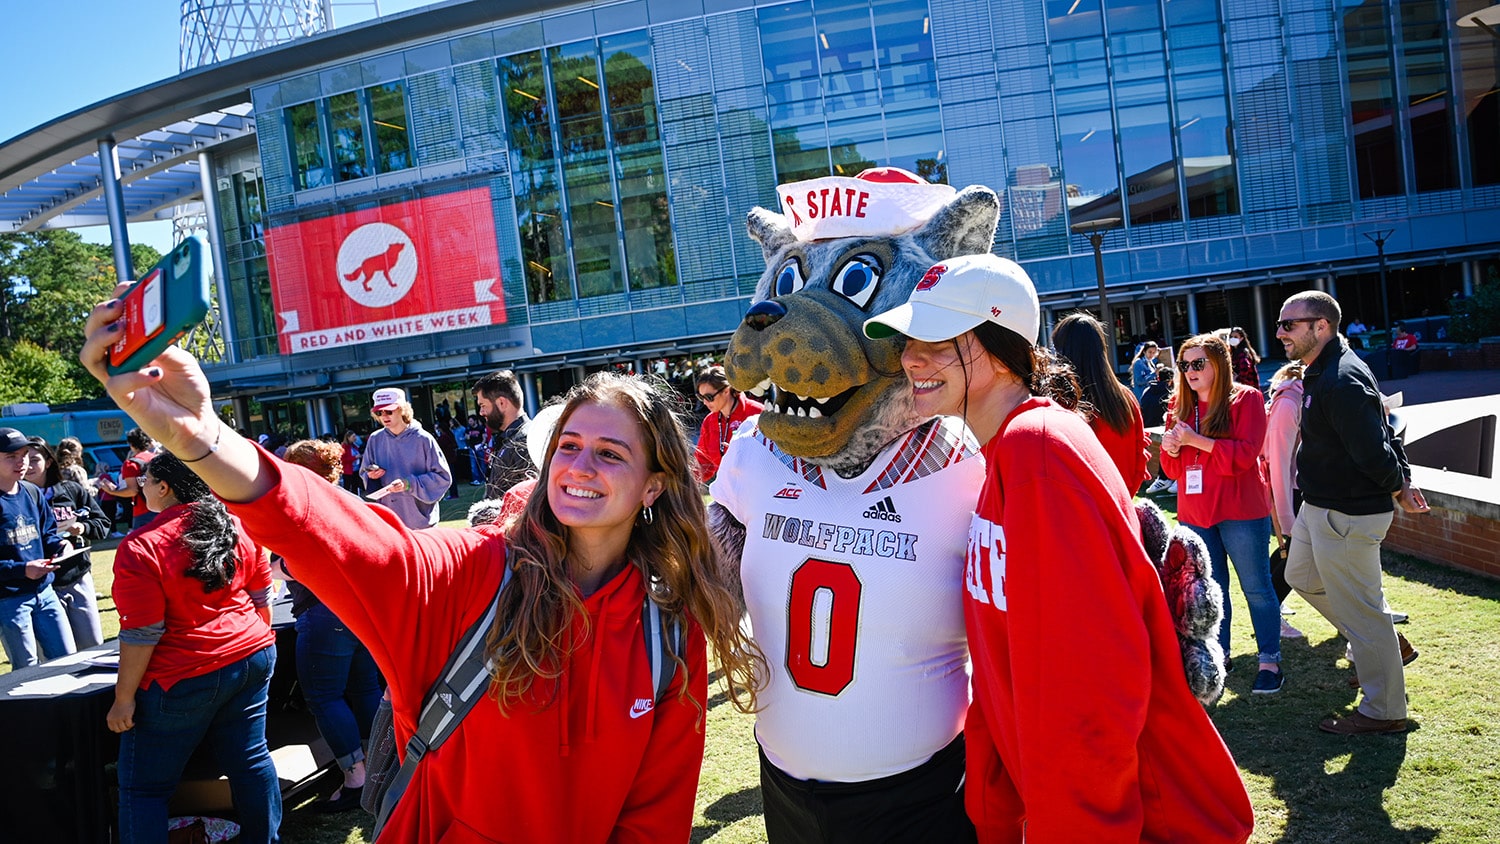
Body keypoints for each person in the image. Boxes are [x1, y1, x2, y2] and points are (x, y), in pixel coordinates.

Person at [78, 294, 763, 841]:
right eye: (569, 446)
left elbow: (654, 818)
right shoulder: (474, 575)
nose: (579, 467)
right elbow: (339, 536)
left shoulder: (667, 630)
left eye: (610, 454)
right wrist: (204, 440)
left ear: (653, 486)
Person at [862, 254, 1253, 842]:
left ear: (998, 349)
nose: (910, 358)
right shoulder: (1007, 451)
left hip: (1141, 820)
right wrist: (995, 810)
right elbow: (1002, 668)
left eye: (936, 340)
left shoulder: (1036, 451)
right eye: (908, 341)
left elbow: (1092, 690)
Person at [1275, 290, 1430, 735]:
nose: (1281, 333)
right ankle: (1384, 645)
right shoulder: (1324, 368)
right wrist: (1403, 478)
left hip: (1347, 514)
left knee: (1363, 614)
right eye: (1281, 324)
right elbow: (1384, 426)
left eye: (1290, 324)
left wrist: (1400, 483)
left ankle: (1384, 712)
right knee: (1300, 576)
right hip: (1320, 507)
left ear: (1320, 326)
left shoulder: (1341, 378)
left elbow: (1375, 449)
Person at [105, 452, 280, 843]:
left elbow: (142, 633)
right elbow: (261, 595)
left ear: (164, 487)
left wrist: (124, 698)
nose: (141, 487)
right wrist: (254, 641)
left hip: (184, 674)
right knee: (251, 761)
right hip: (249, 654)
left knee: (144, 789)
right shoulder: (235, 523)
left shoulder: (142, 545)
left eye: (146, 481)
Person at [1160, 334, 1283, 693]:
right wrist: (1170, 447)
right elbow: (1170, 470)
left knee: (1257, 588)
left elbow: (1245, 456)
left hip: (1241, 509)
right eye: (1185, 365)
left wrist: (1194, 441)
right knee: (1212, 590)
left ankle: (1270, 662)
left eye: (1199, 364)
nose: (1190, 372)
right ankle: (1220, 655)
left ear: (1219, 364)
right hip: (1196, 512)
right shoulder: (1178, 405)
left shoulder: (1246, 399)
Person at [278, 439, 384, 813]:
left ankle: (356, 779)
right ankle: (380, 770)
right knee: (364, 688)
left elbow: (302, 563)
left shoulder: (307, 510)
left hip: (327, 613)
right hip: (360, 611)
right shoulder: (350, 501)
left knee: (325, 696)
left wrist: (276, 570)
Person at [0, 427, 76, 668]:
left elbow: (48, 535)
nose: (21, 462)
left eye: (24, 454)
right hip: (10, 599)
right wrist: (22, 569)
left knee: (67, 660)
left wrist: (61, 545)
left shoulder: (32, 492)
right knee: (26, 671)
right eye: (11, 456)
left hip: (46, 592)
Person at [25, 437, 110, 649]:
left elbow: (102, 523)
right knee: (57, 653)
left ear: (49, 461)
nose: (27, 465)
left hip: (76, 576)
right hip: (42, 585)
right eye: (22, 459)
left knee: (92, 644)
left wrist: (83, 528)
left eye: (34, 459)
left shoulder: (70, 490)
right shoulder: (15, 498)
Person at [1052, 313, 1151, 492]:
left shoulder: (1059, 404)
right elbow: (1140, 456)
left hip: (1078, 511)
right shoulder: (1126, 398)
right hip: (1121, 504)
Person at [359, 387, 452, 529]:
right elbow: (364, 475)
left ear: (402, 409)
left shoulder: (423, 439)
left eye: (389, 411)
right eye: (379, 412)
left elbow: (443, 478)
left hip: (421, 524)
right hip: (389, 524)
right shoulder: (375, 439)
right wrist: (372, 476)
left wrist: (409, 484)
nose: (384, 416)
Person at [1262, 363, 1307, 640]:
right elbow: (1277, 462)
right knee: (1292, 554)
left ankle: (1269, 609)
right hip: (1289, 491)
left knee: (1291, 553)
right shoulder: (1289, 404)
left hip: (1294, 489)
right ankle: (1269, 613)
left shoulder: (1293, 399)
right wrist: (1285, 514)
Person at [692, 365, 763, 485]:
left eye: (709, 397)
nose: (704, 402)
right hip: (730, 490)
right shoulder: (709, 422)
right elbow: (703, 463)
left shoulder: (757, 413)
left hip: (758, 486)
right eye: (701, 397)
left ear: (726, 390)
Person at [473, 369, 537, 499]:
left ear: (502, 403)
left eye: (483, 405)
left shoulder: (525, 442)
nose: (481, 412)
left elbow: (533, 502)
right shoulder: (510, 439)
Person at [99, 427, 157, 531]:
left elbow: (132, 490)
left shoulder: (132, 464)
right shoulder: (157, 458)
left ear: (131, 443)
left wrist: (112, 491)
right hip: (162, 507)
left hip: (143, 510)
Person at [1227, 327, 1261, 391]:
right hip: (1246, 387)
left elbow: (1245, 367)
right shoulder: (1234, 352)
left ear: (1241, 338)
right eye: (1231, 337)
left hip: (1246, 386)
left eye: (1236, 337)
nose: (1232, 339)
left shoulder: (1243, 352)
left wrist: (1237, 380)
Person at [464, 414, 487, 486]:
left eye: (471, 421)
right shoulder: (468, 429)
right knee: (473, 465)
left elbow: (484, 438)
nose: (470, 422)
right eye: (469, 421)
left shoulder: (481, 428)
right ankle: (476, 479)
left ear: (475, 421)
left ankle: (484, 479)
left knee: (482, 464)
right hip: (472, 448)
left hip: (479, 447)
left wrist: (481, 445)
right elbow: (466, 437)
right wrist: (467, 436)